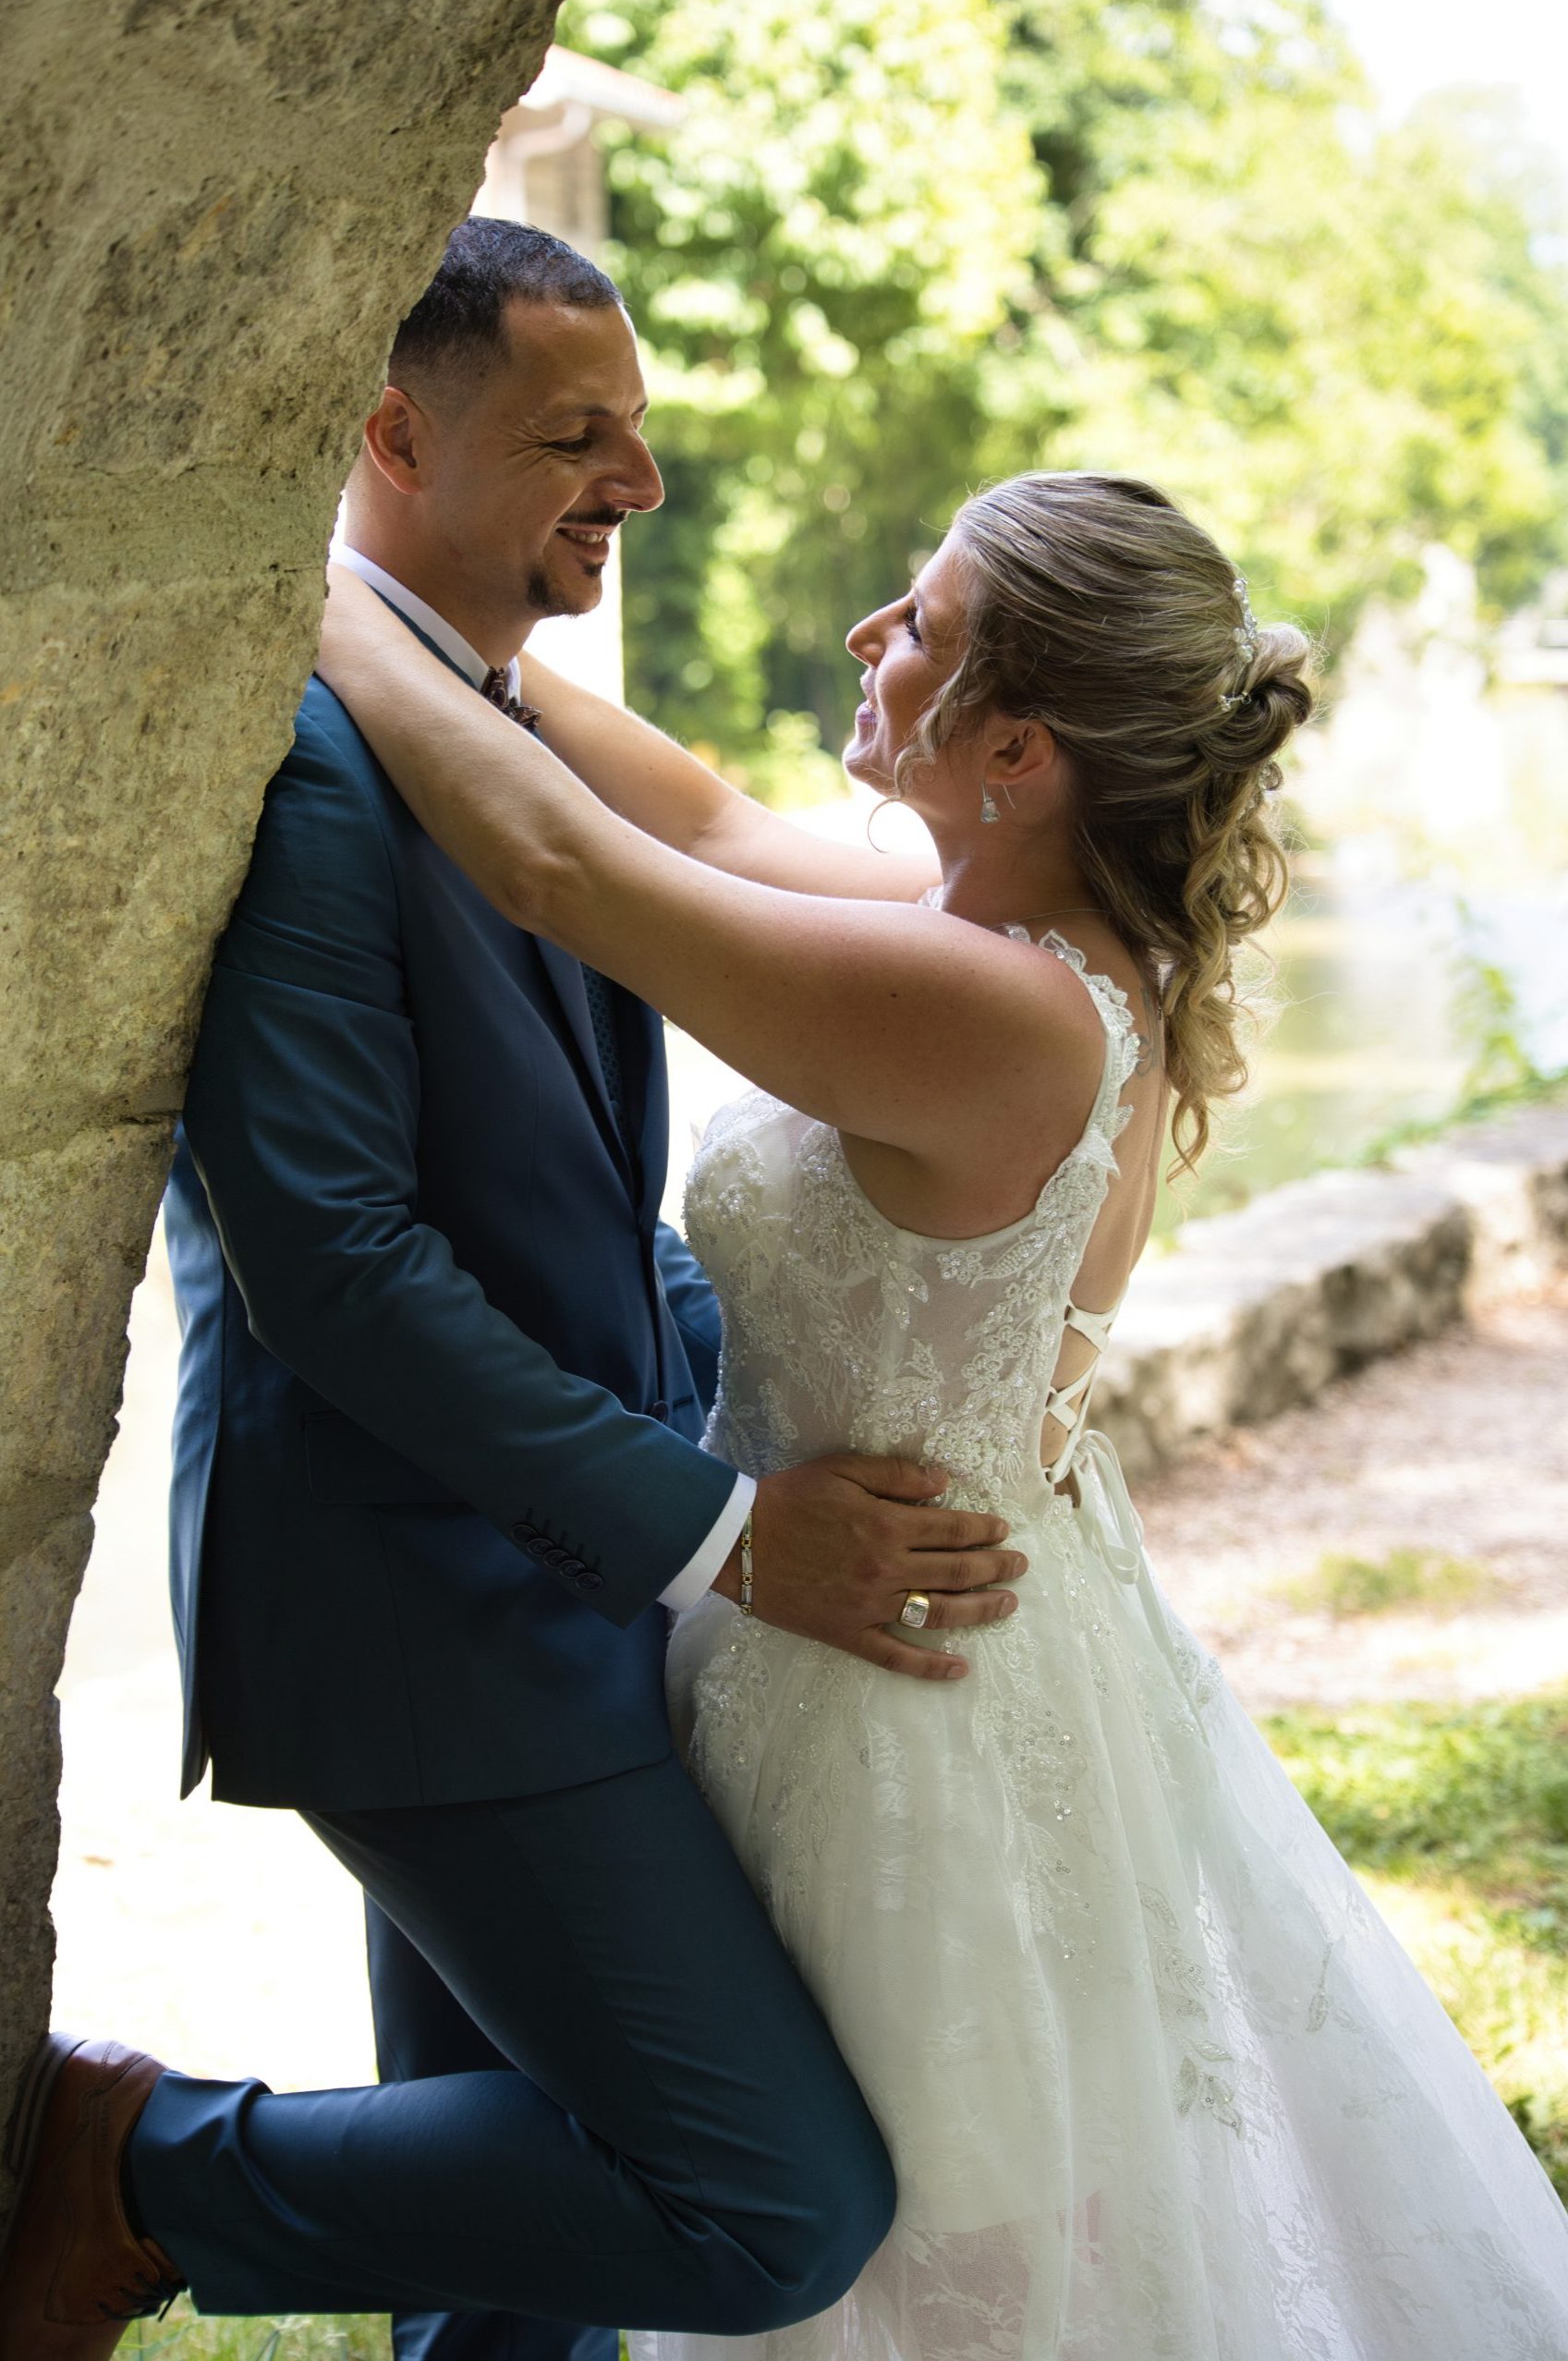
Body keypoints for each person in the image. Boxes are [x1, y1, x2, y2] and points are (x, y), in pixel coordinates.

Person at [306, 469, 1568, 2357]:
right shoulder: (1000, 934)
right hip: (908, 1623)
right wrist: (441, 617)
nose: (864, 638)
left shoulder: (1002, 1018)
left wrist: (301, 595)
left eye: (923, 622)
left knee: (919, 2257)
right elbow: (710, 813)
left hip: (890, 1706)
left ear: (1021, 748)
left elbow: (564, 874)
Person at [0, 224, 1029, 2361]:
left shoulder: (505, 727)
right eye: (577, 435)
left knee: (527, 2250)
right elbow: (336, 1270)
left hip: (566, 1573)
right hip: (413, 1599)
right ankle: (139, 2165)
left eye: (638, 432)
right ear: (388, 435)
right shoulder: (306, 754)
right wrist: (729, 1534)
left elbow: (581, 1184)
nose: (635, 481)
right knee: (768, 2198)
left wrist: (719, 1426)